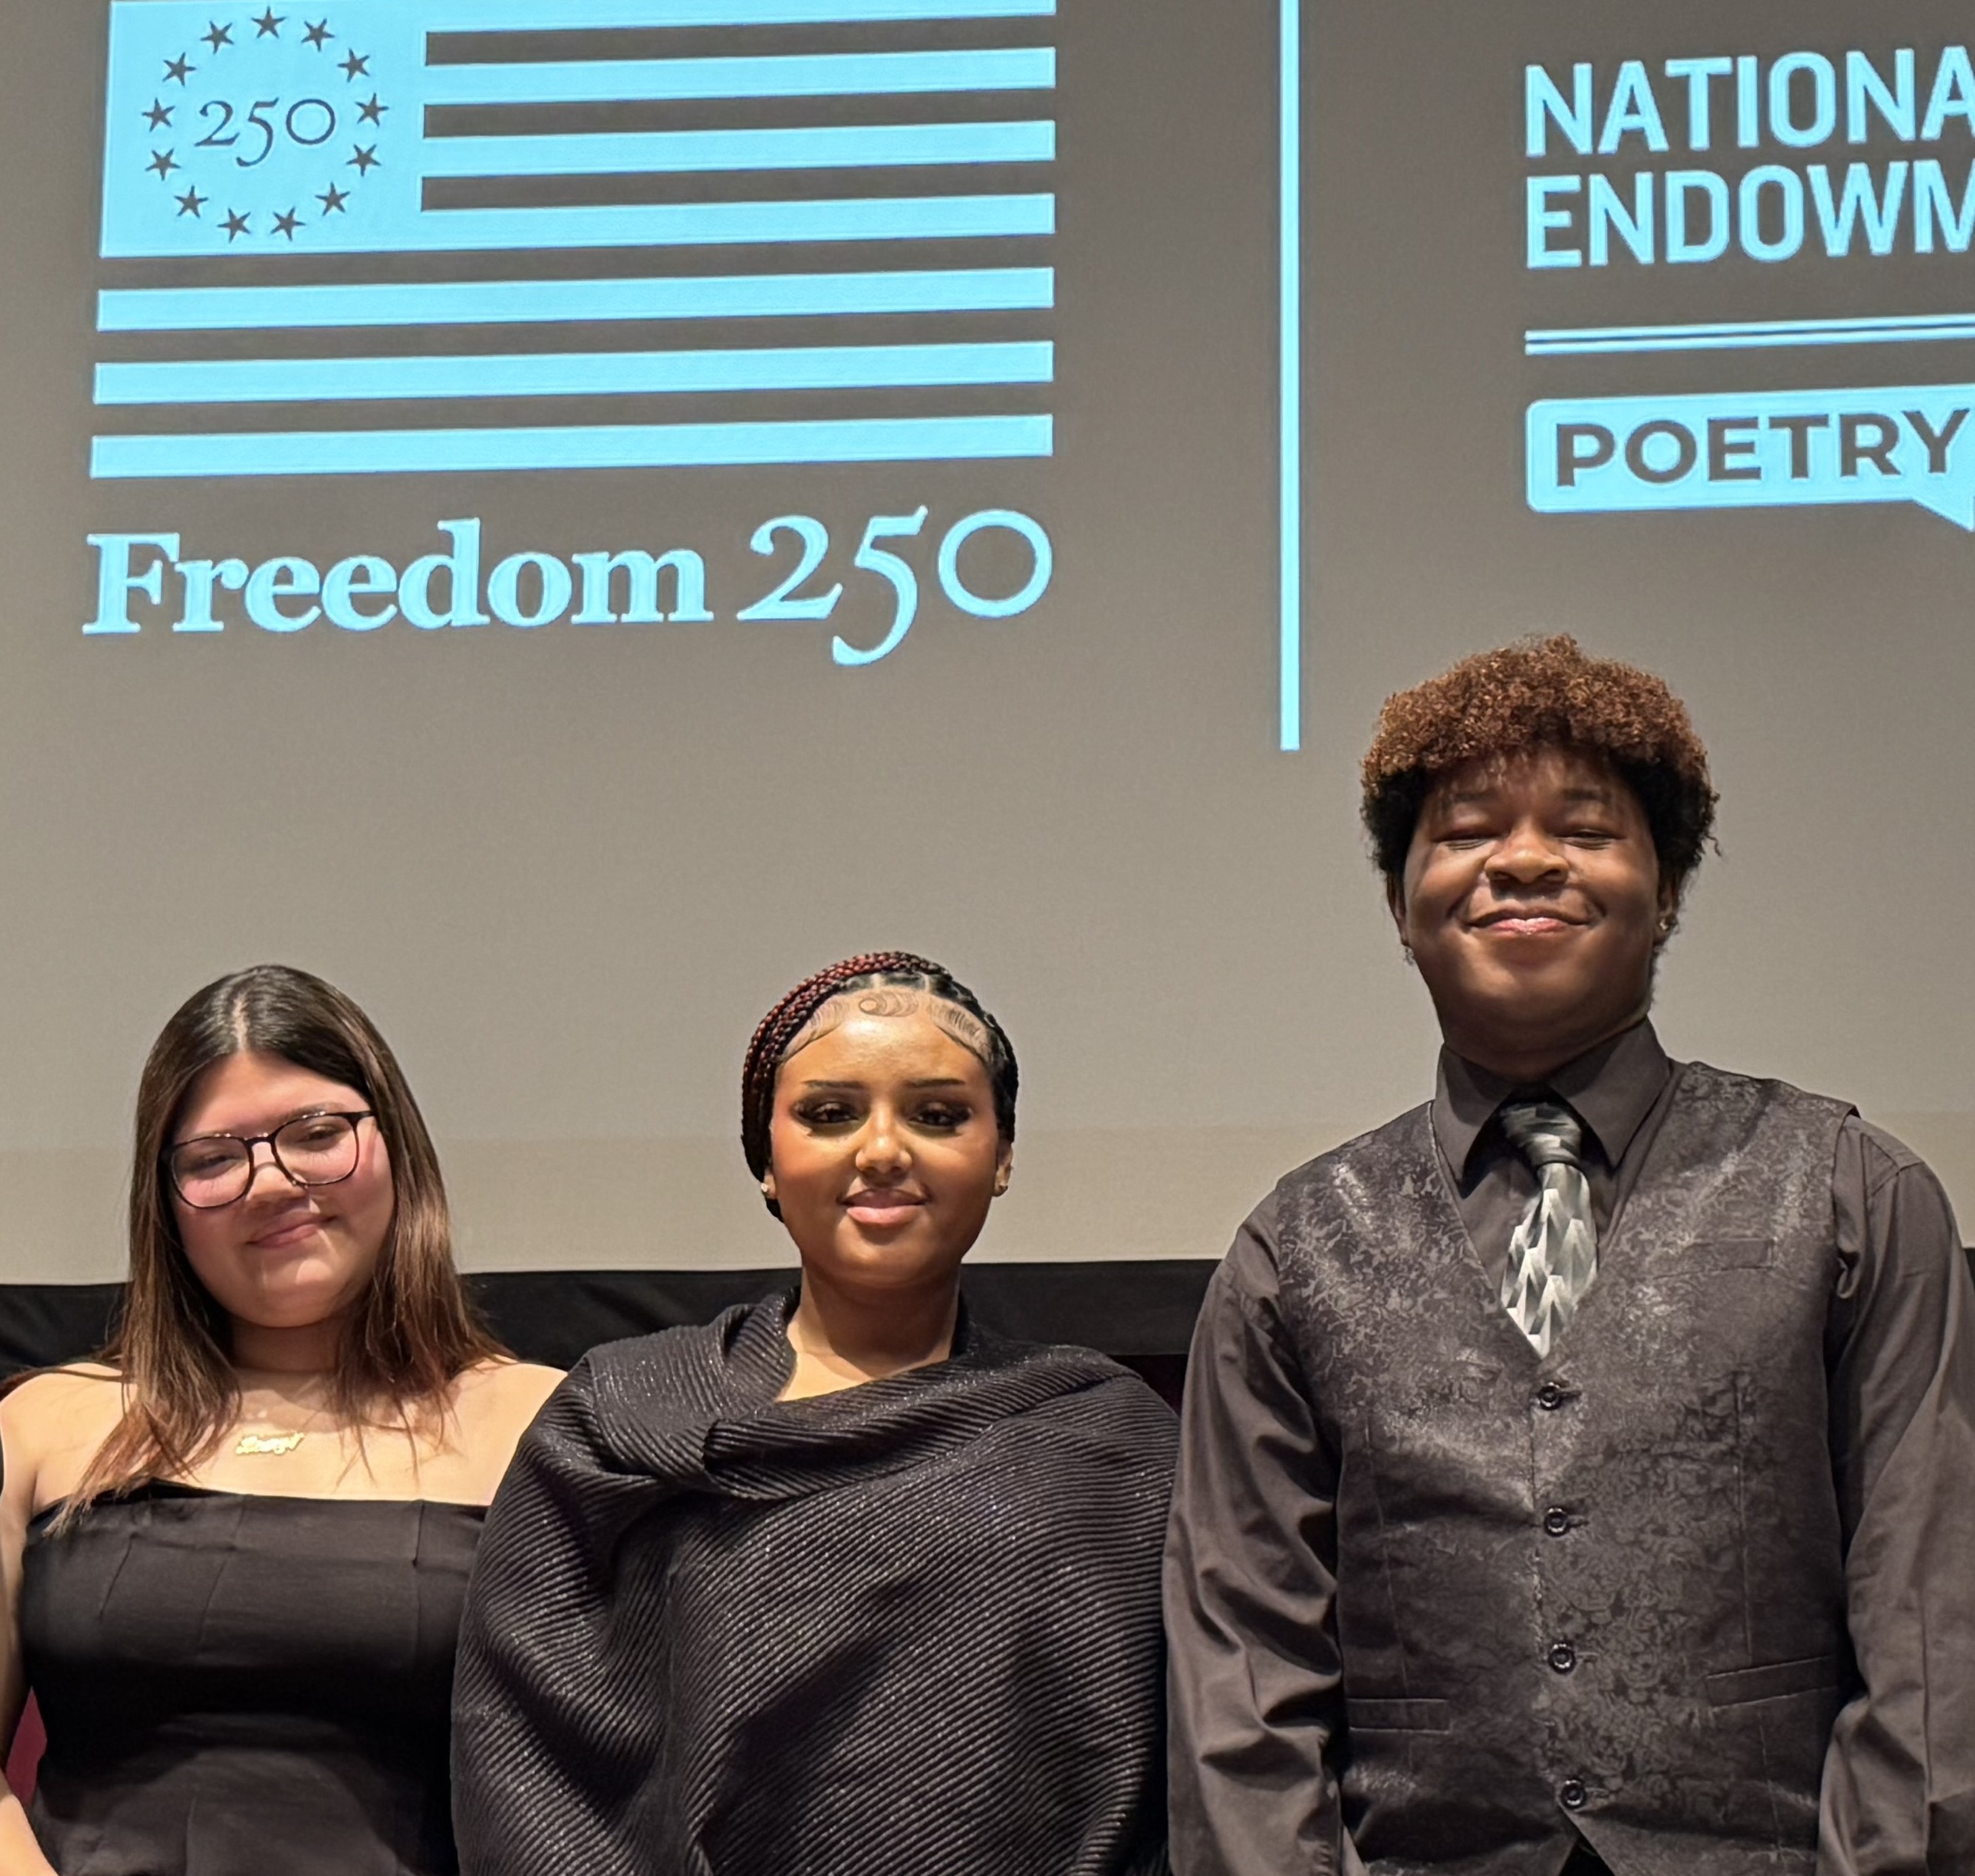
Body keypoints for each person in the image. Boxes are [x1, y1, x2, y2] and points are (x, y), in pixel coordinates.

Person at [1164, 637, 1975, 1875]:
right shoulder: (1291, 1248)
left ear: (1668, 887)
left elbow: (1930, 1624)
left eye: (1586, 829)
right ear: (1401, 903)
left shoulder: (1855, 1194)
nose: (1526, 858)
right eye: (1469, 828)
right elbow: (1244, 1677)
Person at [453, 952, 1176, 1876]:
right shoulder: (617, 1419)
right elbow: (520, 1757)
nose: (882, 1148)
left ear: (1000, 1158)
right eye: (830, 1113)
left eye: (939, 1114)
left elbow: (1156, 1776)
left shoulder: (1110, 1447)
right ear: (765, 1159)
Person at [0, 964, 562, 1876]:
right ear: (165, 1202)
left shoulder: (541, 1420)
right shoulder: (42, 1423)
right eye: (215, 1158)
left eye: (316, 1133)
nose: (271, 1182)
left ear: (397, 1145)